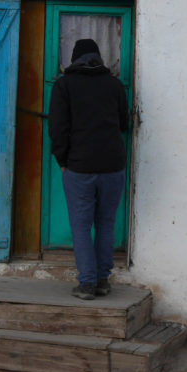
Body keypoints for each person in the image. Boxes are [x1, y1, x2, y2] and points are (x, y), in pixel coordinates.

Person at [48, 38, 130, 300]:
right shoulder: (114, 85)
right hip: (113, 166)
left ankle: (87, 284)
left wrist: (62, 160)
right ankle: (103, 280)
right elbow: (124, 123)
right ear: (98, 58)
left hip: (79, 167)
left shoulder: (64, 85)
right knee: (106, 223)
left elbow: (57, 128)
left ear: (74, 59)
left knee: (81, 226)